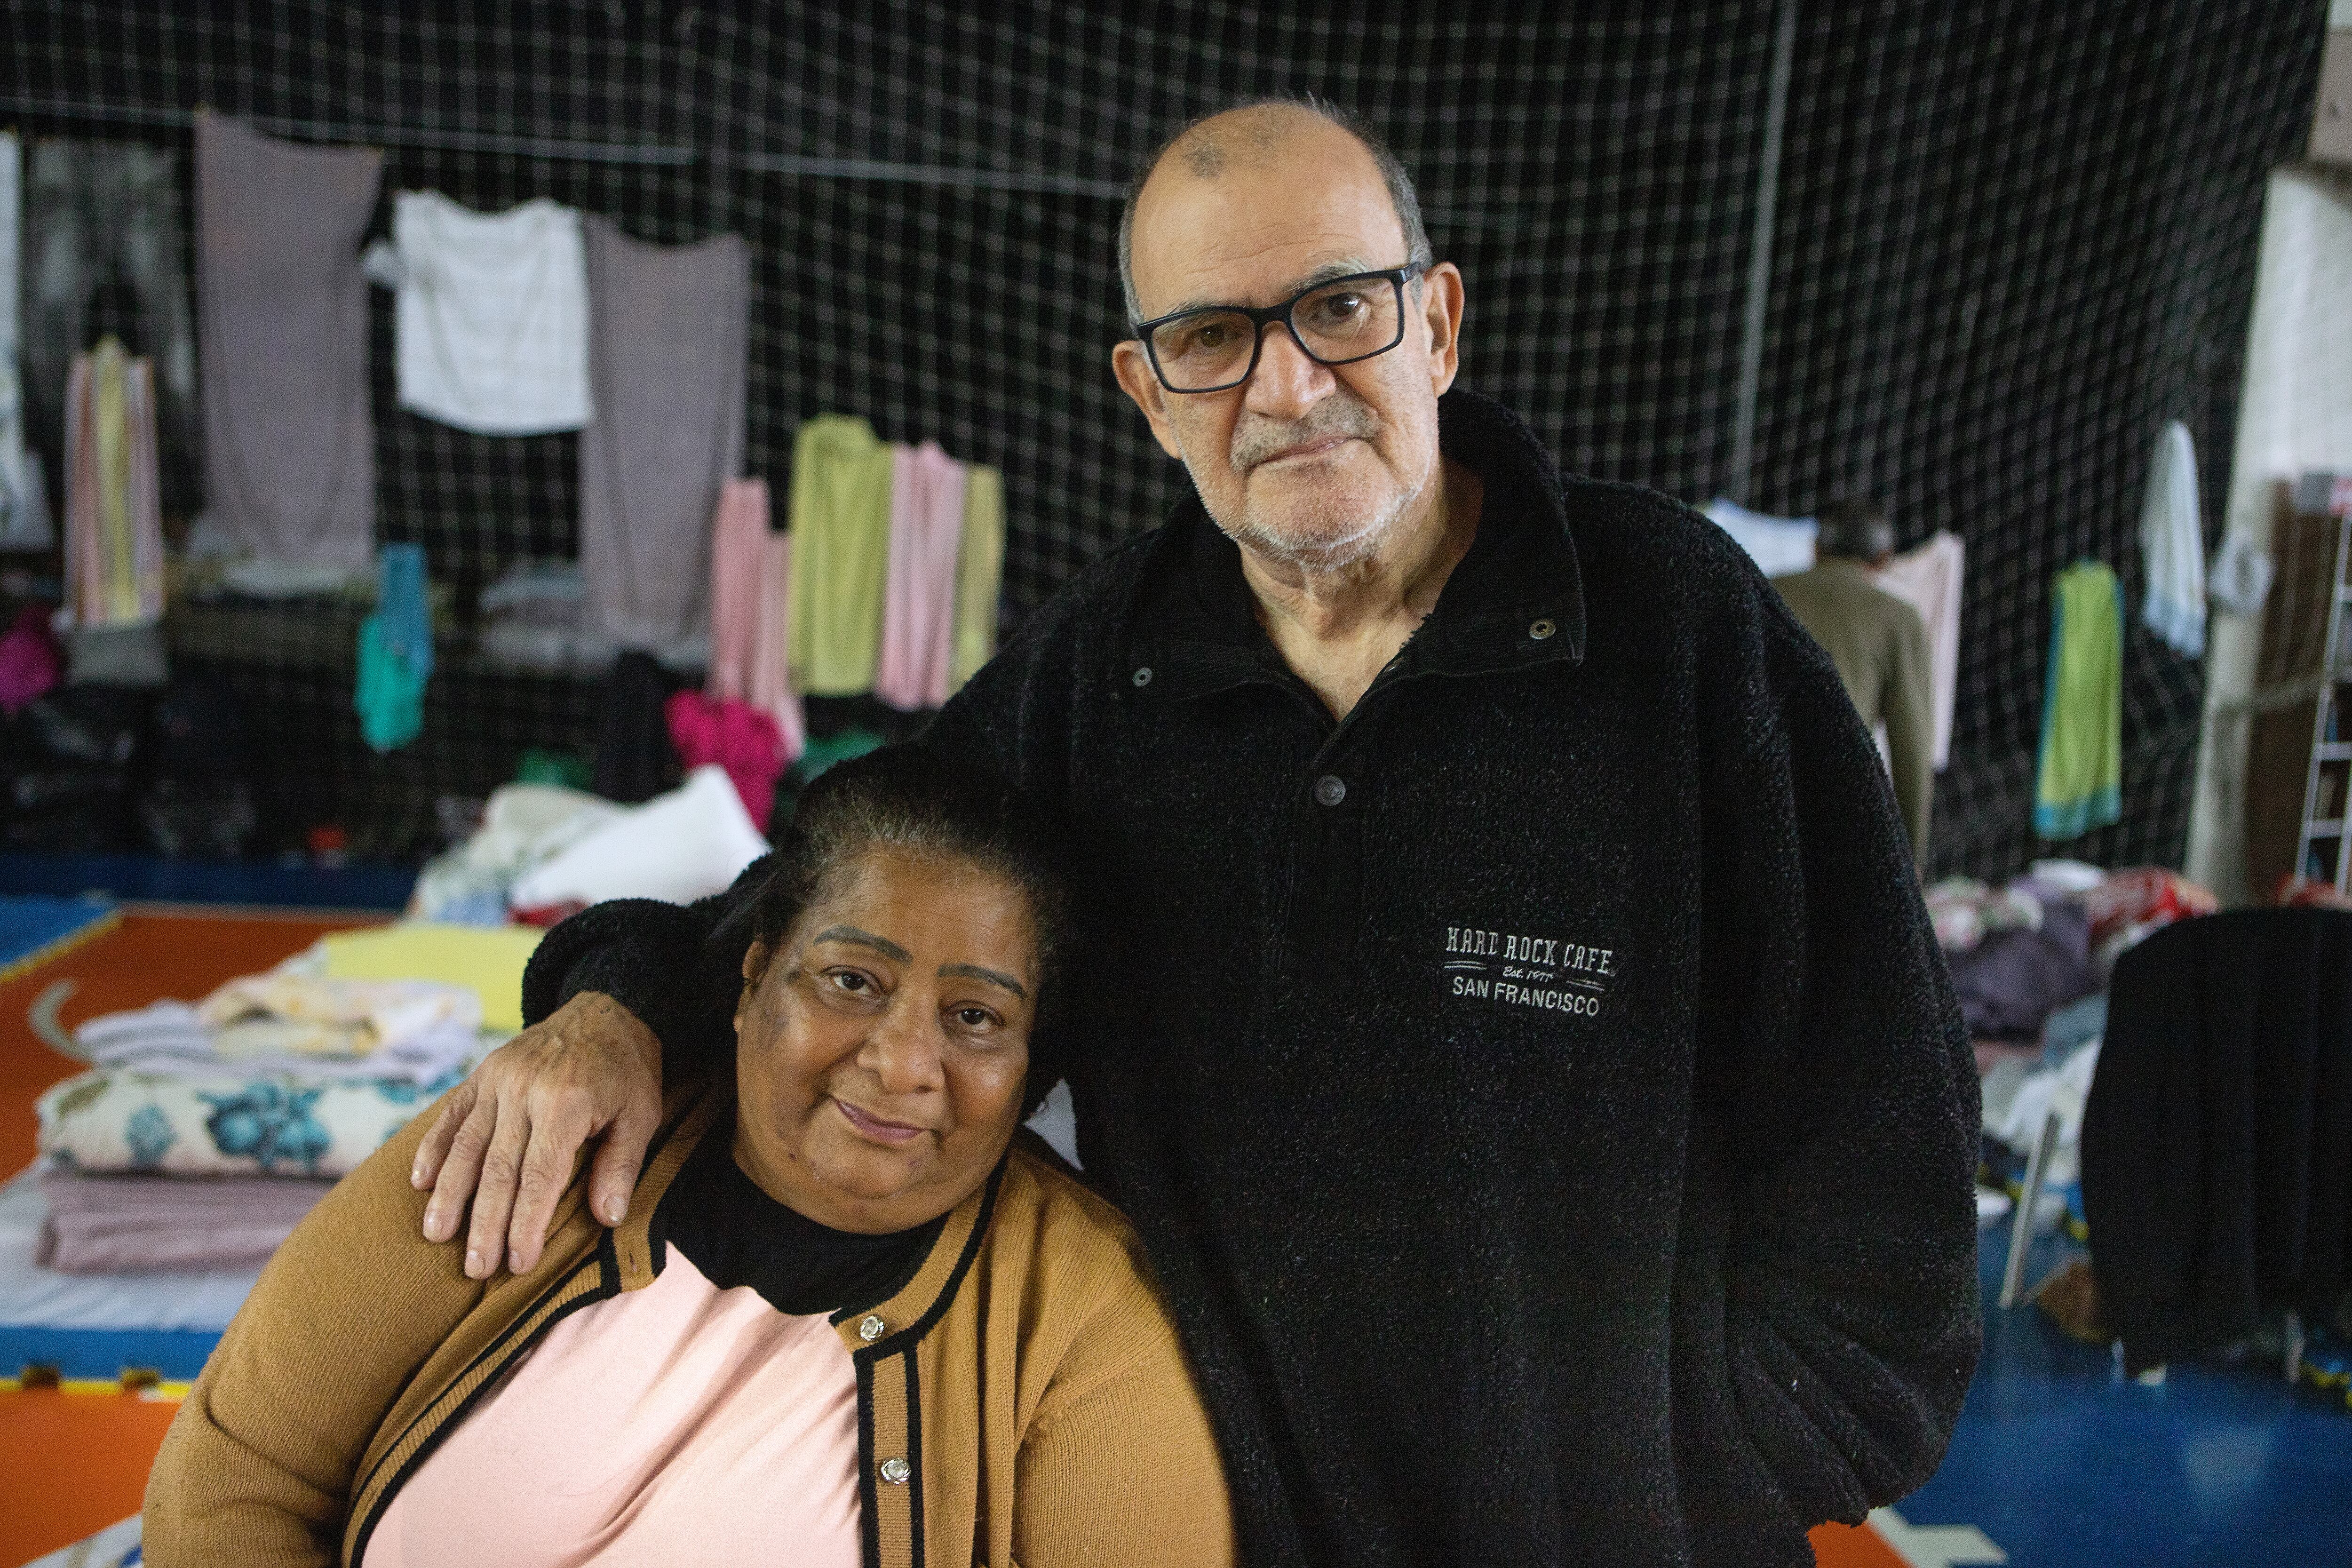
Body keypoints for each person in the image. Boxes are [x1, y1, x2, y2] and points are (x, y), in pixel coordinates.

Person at [413, 97, 1981, 1566]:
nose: (1287, 388)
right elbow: (826, 924)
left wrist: (1691, 1473)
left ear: (1435, 323)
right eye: (1215, 340)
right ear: (1148, 395)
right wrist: (614, 1003)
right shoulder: (1105, 677)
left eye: (1341, 310)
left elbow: (1884, 1119)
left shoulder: (1676, 631)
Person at [143, 747, 1233, 1568]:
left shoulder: (1088, 1327)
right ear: (753, 970)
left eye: (975, 1016)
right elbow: (241, 1472)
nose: (904, 1061)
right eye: (851, 980)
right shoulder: (538, 1138)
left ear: (1031, 1062)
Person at [1773, 496, 1937, 865]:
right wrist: (1910, 870)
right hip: (1831, 817)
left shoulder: (1762, 590)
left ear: (1816, 548)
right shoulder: (1898, 619)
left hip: (1743, 801)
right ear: (1884, 559)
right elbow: (1912, 752)